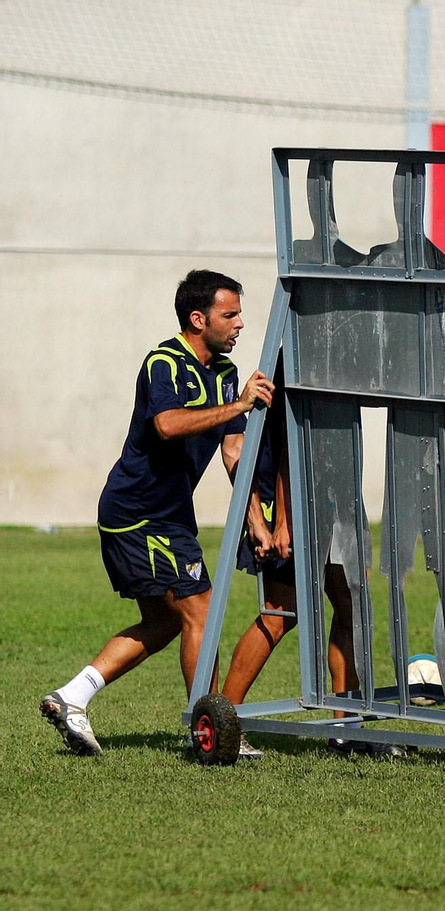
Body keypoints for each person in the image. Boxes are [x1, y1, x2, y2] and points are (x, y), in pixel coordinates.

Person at [40, 270, 273, 756]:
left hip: (167, 514)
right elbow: (167, 425)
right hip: (140, 513)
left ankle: (72, 697)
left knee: (166, 622)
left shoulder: (226, 374)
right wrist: (237, 407)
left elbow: (233, 452)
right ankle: (210, 732)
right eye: (229, 314)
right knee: (201, 612)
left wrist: (256, 520)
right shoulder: (164, 362)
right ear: (198, 318)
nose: (239, 324)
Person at [214, 365, 369, 758]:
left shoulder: (338, 359)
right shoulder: (297, 364)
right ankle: (221, 721)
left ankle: (345, 728)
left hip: (331, 499)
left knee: (350, 606)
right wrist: (283, 522)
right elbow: (290, 449)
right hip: (293, 502)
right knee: (279, 614)